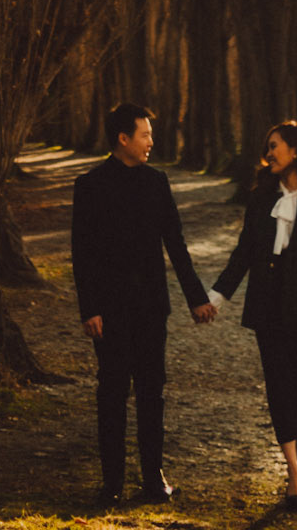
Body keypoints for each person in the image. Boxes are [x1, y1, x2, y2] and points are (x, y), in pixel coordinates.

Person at [70, 101, 217, 506]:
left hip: (152, 309)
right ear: (123, 138)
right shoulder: (91, 185)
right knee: (112, 393)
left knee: (153, 394)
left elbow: (176, 245)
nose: (152, 140)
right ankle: (111, 483)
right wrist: (90, 309)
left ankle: (153, 480)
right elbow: (81, 255)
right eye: (145, 134)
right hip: (110, 312)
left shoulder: (157, 183)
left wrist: (196, 299)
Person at [206, 121, 297, 511]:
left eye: (275, 146)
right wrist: (216, 296)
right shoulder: (261, 197)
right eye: (268, 146)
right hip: (267, 307)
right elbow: (244, 252)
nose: (269, 152)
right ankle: (294, 471)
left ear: (296, 150)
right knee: (278, 386)